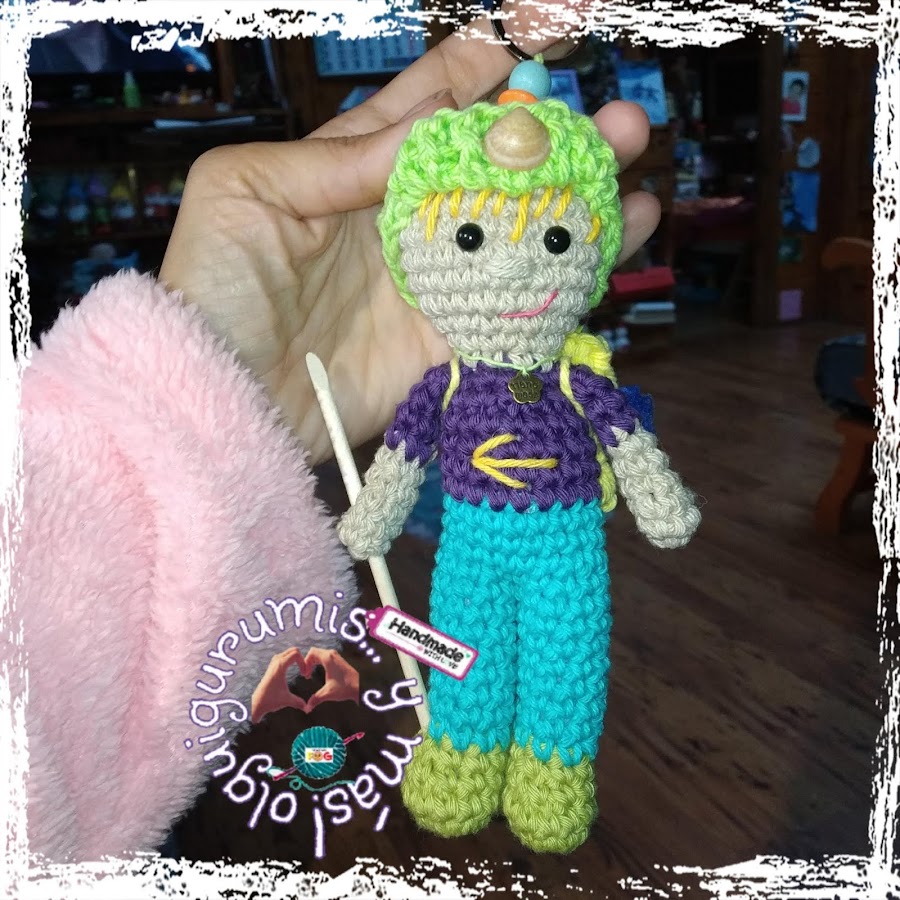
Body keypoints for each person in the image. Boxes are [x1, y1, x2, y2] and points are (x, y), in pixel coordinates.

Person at [7, 2, 659, 862]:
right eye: (469, 237)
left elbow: (625, 440)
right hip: (473, 543)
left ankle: (554, 771)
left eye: (554, 237)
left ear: (594, 243)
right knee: (469, 649)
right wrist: (372, 514)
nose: (512, 267)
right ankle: (463, 754)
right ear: (416, 250)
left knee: (565, 656)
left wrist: (655, 493)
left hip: (566, 541)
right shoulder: (444, 384)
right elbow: (405, 455)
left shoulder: (576, 376)